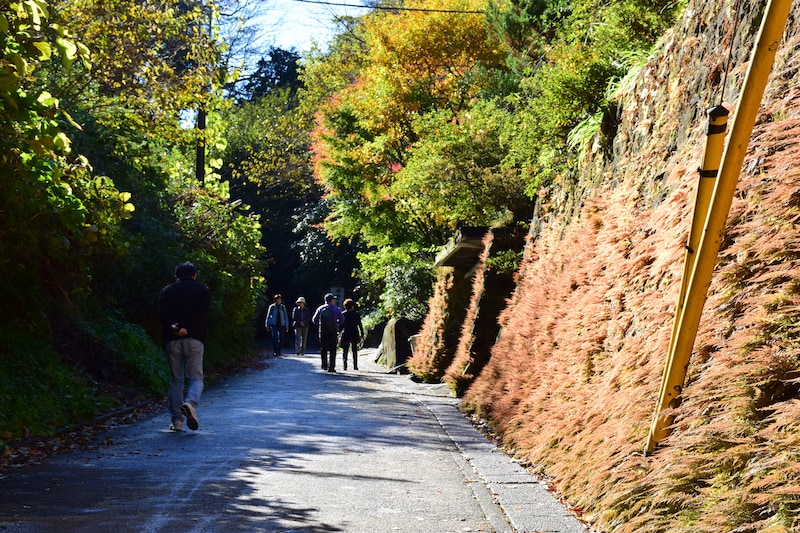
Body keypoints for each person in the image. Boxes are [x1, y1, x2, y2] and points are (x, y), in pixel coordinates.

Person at [159, 261, 212, 432]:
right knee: (196, 378)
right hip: (195, 339)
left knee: (176, 380)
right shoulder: (203, 290)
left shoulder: (167, 291)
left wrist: (175, 328)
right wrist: (186, 327)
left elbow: (163, 315)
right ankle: (190, 403)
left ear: (176, 276)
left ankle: (177, 422)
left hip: (172, 340)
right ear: (194, 275)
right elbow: (201, 313)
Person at [312, 293, 345, 372]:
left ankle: (324, 365)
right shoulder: (336, 309)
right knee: (333, 349)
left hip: (323, 331)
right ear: (332, 300)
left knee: (324, 348)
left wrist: (321, 324)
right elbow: (342, 320)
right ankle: (332, 367)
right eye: (334, 299)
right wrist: (336, 324)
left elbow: (314, 320)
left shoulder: (320, 309)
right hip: (333, 331)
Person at [340, 298, 364, 371]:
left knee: (345, 350)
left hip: (346, 333)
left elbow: (341, 325)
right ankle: (355, 366)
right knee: (354, 350)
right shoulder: (356, 314)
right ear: (352, 306)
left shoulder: (343, 314)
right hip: (354, 332)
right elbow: (360, 325)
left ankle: (345, 365)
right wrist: (362, 334)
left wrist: (338, 333)